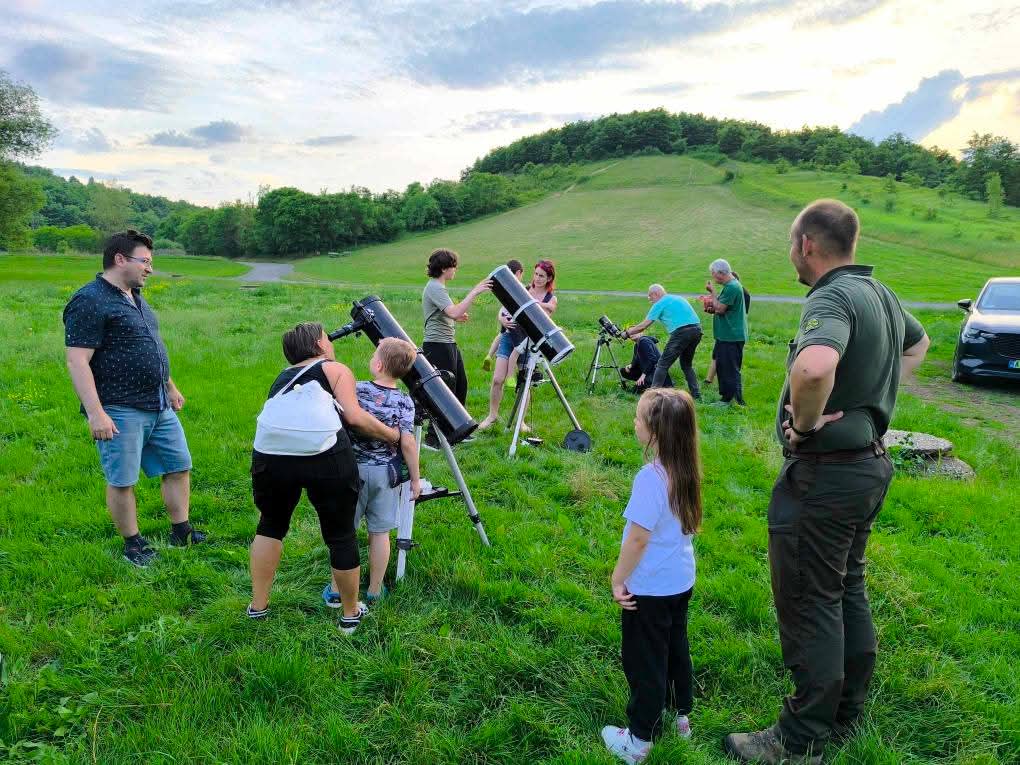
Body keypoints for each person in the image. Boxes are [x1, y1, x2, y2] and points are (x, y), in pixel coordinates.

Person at [724, 200, 929, 763]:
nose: (791, 253)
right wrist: (872, 399)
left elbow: (813, 367)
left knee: (810, 596)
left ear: (806, 245)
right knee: (846, 584)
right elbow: (918, 344)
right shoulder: (880, 293)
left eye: (792, 244)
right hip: (868, 467)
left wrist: (804, 423)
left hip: (826, 476)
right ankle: (846, 710)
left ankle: (800, 738)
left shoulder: (832, 296)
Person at [247, 323, 402, 634]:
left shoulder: (282, 378)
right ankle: (349, 614)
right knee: (341, 534)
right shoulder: (334, 369)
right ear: (319, 344)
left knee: (271, 525)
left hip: (271, 457)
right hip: (325, 457)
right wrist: (394, 435)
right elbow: (354, 417)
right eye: (326, 339)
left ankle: (258, 606)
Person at [63, 229, 205, 568]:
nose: (150, 269)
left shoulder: (134, 296)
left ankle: (181, 530)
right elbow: (77, 360)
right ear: (120, 259)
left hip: (157, 402)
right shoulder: (90, 299)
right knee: (123, 479)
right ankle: (133, 544)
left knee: (178, 466)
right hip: (119, 406)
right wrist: (96, 413)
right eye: (145, 261)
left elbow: (148, 346)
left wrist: (169, 387)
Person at [602, 388, 703, 764]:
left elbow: (639, 537)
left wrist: (618, 578)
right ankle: (681, 718)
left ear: (656, 432)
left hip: (651, 588)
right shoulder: (687, 468)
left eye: (639, 418)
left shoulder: (651, 477)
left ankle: (640, 740)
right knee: (676, 649)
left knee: (646, 659)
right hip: (680, 581)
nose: (634, 422)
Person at [322, 338, 421, 606]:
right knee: (380, 534)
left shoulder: (358, 390)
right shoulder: (404, 401)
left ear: (377, 364)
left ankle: (335, 589)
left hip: (351, 472)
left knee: (345, 533)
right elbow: (408, 443)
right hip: (385, 476)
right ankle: (375, 589)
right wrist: (414, 479)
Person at [421, 248, 491, 449]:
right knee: (443, 392)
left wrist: (457, 316)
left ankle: (456, 430)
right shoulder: (435, 287)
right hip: (437, 345)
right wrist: (475, 291)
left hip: (448, 343)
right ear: (444, 269)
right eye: (454, 267)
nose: (455, 270)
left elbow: (448, 313)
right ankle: (433, 438)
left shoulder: (439, 287)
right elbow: (453, 311)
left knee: (460, 385)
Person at [479, 259, 557, 430]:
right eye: (536, 274)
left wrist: (533, 303)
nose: (537, 278)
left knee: (524, 383)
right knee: (498, 379)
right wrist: (501, 319)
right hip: (509, 336)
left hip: (528, 343)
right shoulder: (523, 289)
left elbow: (549, 311)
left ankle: (520, 421)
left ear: (549, 278)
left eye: (542, 276)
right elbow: (504, 307)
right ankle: (492, 416)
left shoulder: (551, 298)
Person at [622, 284, 702, 399]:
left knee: (662, 364)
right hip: (697, 330)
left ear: (656, 293)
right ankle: (696, 395)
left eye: (650, 296)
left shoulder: (660, 303)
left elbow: (644, 325)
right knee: (686, 365)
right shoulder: (677, 298)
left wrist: (627, 333)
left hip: (681, 332)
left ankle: (652, 396)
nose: (650, 300)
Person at [705, 259, 747, 406]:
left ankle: (730, 400)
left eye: (713, 274)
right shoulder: (730, 286)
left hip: (731, 335)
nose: (713, 277)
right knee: (724, 366)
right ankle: (731, 399)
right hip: (726, 335)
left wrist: (713, 293)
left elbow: (721, 308)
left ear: (721, 273)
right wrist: (712, 308)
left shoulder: (732, 287)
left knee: (729, 369)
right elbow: (721, 309)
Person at [481, 259, 525, 373]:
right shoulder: (520, 287)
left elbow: (502, 307)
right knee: (517, 346)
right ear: (519, 272)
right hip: (513, 319)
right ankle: (511, 371)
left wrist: (501, 317)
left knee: (501, 334)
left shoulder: (506, 287)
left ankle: (489, 355)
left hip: (505, 315)